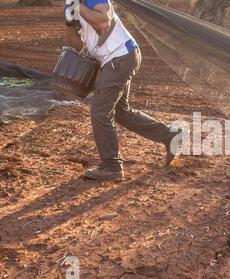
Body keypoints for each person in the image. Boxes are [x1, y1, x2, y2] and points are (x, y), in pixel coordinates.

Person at [64, 0, 180, 181]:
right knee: (120, 112)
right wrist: (70, 22)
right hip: (119, 57)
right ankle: (170, 136)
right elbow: (77, 45)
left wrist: (78, 7)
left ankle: (112, 167)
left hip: (119, 56)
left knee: (100, 112)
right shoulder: (70, 4)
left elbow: (104, 21)